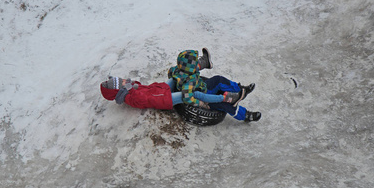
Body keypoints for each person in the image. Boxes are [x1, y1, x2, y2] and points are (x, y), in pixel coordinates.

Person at [100, 75, 261, 122]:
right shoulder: (129, 97)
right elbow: (145, 100)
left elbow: (143, 87)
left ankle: (241, 90)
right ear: (118, 89)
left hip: (162, 89)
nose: (123, 79)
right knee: (194, 95)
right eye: (119, 81)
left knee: (180, 75)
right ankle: (243, 113)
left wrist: (132, 85)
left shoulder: (129, 89)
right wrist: (132, 90)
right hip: (165, 99)